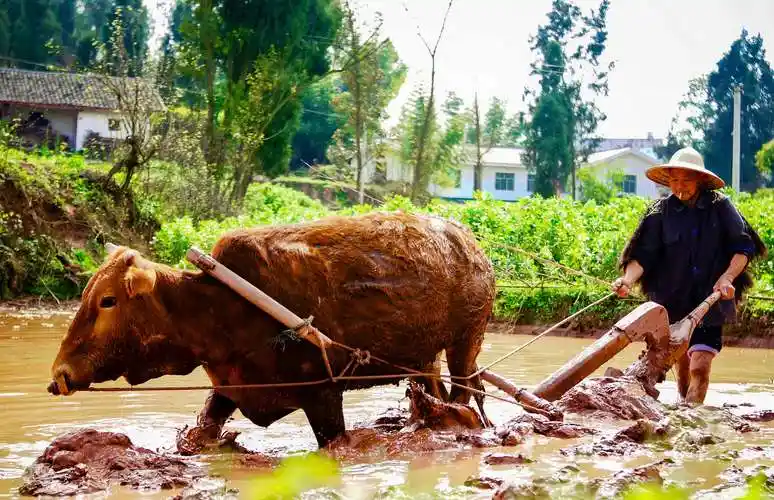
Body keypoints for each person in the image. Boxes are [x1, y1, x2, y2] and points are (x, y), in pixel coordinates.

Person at [611, 147, 766, 405]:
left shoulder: (721, 207)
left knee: (700, 366)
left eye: (686, 180)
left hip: (709, 303)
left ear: (700, 181)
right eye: (674, 180)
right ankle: (685, 416)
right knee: (682, 367)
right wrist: (627, 280)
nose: (679, 186)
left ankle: (692, 418)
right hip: (672, 302)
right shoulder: (660, 212)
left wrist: (727, 277)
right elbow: (643, 256)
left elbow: (743, 248)